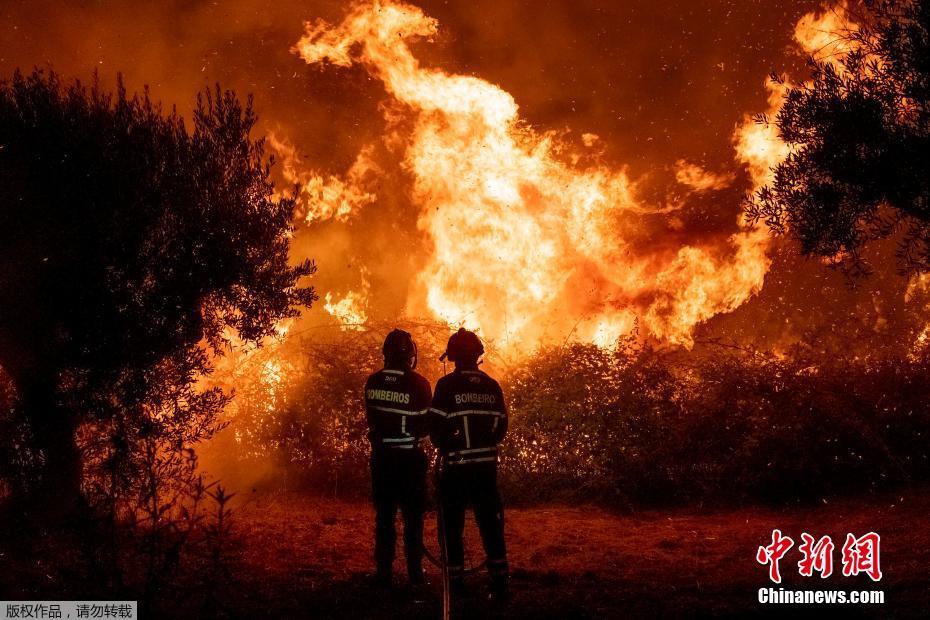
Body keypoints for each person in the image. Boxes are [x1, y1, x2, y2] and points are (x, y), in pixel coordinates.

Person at [428, 328, 510, 601]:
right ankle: (499, 584)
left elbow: (435, 428)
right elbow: (501, 426)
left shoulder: (446, 386)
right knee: (491, 525)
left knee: (452, 526)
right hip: (486, 470)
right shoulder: (491, 385)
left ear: (451, 357)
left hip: (456, 468)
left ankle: (455, 583)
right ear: (478, 355)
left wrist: (449, 446)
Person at [364, 329, 432, 588]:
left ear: (386, 353)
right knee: (413, 518)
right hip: (409, 460)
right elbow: (426, 425)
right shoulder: (419, 384)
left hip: (382, 459)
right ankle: (415, 574)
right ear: (411, 355)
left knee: (384, 517)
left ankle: (384, 572)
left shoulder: (373, 382)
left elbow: (372, 419)